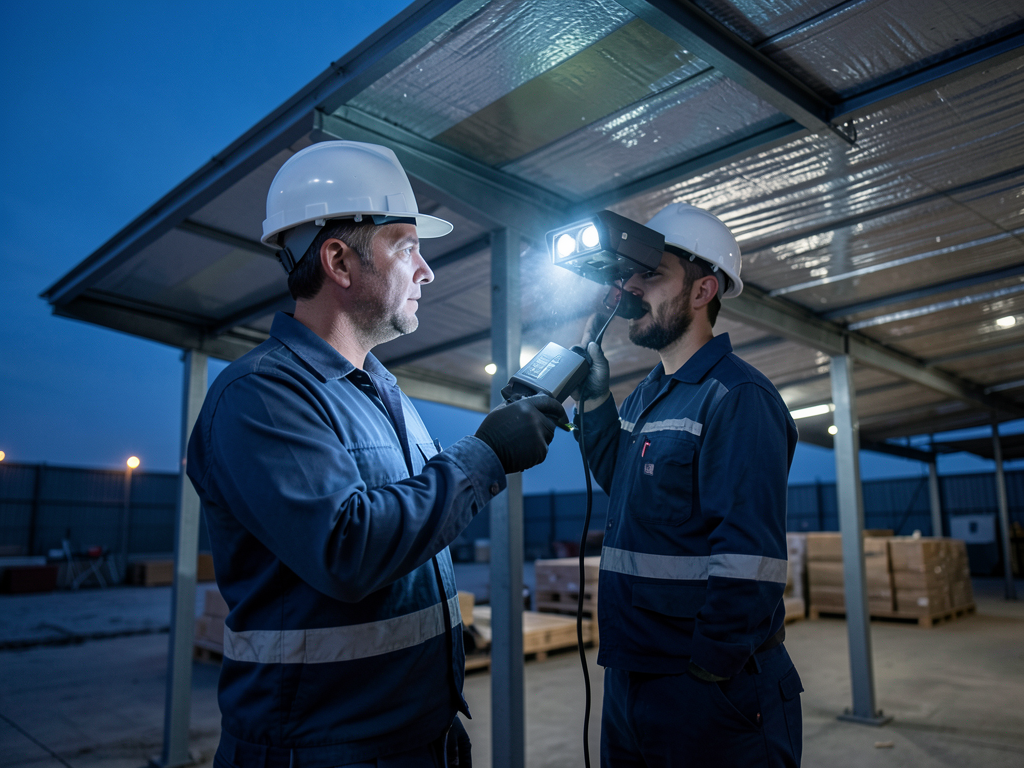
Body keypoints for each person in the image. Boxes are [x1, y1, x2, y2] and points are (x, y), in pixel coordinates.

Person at [187, 140, 564, 768]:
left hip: (417, 736)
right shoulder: (262, 396)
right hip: (320, 751)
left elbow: (411, 527)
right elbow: (348, 548)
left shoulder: (383, 394)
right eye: (406, 246)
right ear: (338, 259)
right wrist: (487, 453)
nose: (427, 271)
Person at [572, 203, 802, 766]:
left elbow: (750, 558)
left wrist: (710, 666)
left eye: (651, 275)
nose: (629, 287)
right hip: (633, 673)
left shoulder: (738, 397)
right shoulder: (650, 394)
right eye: (631, 274)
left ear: (702, 292)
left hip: (704, 685)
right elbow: (621, 484)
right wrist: (597, 400)